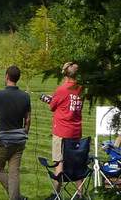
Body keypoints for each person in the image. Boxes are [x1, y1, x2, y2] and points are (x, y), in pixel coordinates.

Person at [0, 65, 31, 200]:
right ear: (18, 79)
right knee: (14, 172)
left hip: (4, 140)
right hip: (19, 139)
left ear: (6, 76)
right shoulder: (25, 96)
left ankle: (16, 196)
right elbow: (28, 119)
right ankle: (16, 197)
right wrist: (26, 133)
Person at [47, 62, 84, 197]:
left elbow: (52, 106)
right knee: (77, 163)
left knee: (59, 162)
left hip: (62, 132)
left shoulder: (61, 89)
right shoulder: (81, 89)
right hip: (76, 131)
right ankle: (80, 194)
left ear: (65, 74)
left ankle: (55, 193)